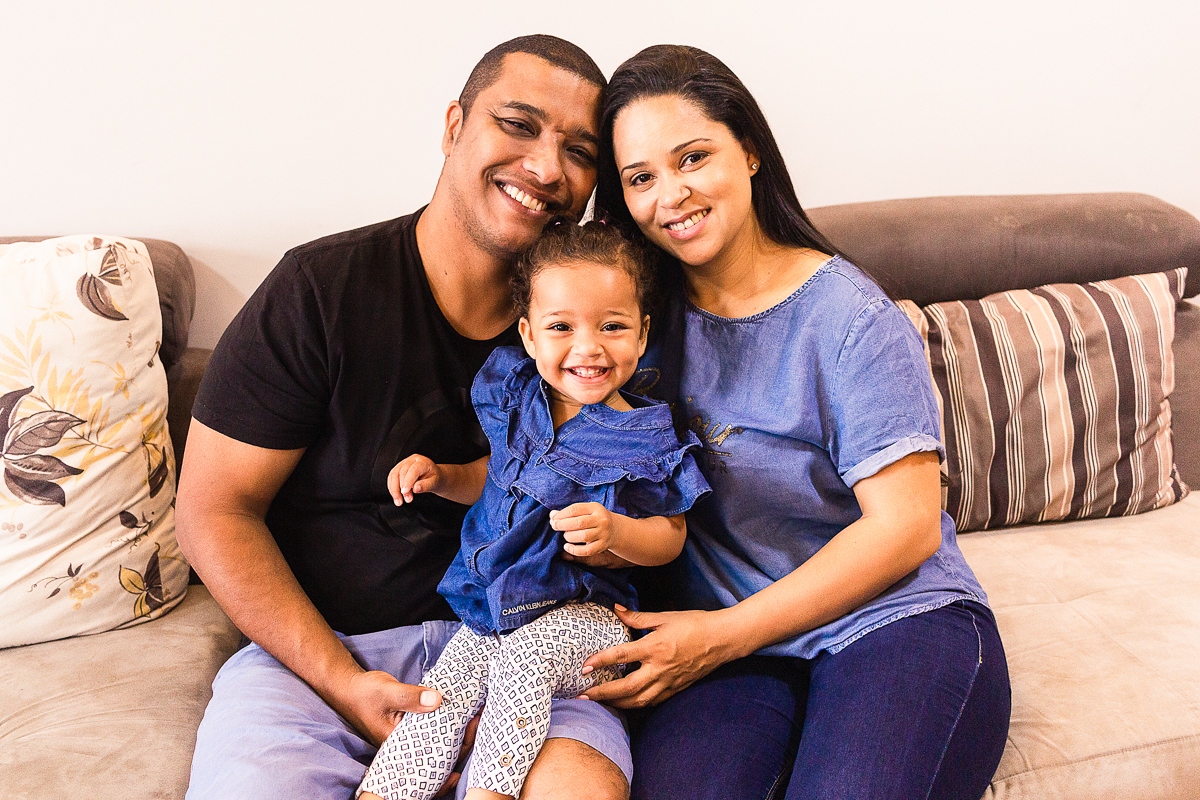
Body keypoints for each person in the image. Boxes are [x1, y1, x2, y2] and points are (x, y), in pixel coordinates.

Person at [176, 36, 634, 800]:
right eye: (518, 125)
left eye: (578, 151)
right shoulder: (321, 289)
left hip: (528, 658)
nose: (547, 168)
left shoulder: (598, 330)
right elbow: (212, 510)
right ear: (455, 125)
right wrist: (341, 680)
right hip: (321, 658)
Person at [581, 45, 1012, 799]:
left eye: (692, 157)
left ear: (748, 151)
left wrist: (717, 636)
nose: (671, 194)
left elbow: (904, 529)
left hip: (891, 619)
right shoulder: (632, 324)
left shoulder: (850, 319)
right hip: (735, 653)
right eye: (641, 178)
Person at [358, 221, 708, 800]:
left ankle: (489, 794)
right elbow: (496, 481)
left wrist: (617, 532)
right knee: (446, 687)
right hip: (496, 603)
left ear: (643, 334)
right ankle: (386, 792)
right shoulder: (521, 401)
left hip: (587, 620)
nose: (588, 347)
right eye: (561, 327)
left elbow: (670, 536)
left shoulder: (643, 435)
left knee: (524, 660)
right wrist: (443, 477)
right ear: (528, 334)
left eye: (613, 326)